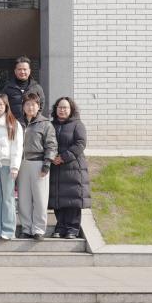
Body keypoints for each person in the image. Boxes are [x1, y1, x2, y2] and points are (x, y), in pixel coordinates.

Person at [17, 93, 58, 240]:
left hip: (39, 164)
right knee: (24, 199)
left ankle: (39, 229)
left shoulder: (45, 124)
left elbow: (51, 145)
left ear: (38, 106)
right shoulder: (18, 123)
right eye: (27, 104)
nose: (30, 107)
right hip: (22, 164)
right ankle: (26, 228)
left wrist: (47, 163)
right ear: (23, 106)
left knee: (40, 198)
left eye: (33, 104)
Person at [49, 97, 90, 239]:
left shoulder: (77, 125)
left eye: (65, 107)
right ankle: (60, 227)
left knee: (72, 199)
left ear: (71, 109)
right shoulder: (51, 125)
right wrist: (52, 157)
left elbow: (80, 144)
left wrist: (63, 157)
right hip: (56, 168)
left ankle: (72, 228)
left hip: (73, 168)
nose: (62, 110)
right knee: (58, 199)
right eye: (59, 107)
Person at [0, 93, 23, 240]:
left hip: (7, 165)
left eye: (1, 104)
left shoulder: (14, 123)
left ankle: (8, 230)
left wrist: (15, 166)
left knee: (8, 198)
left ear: (6, 106)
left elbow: (17, 147)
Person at [2, 56, 47, 121]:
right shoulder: (8, 88)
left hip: (31, 123)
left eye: (25, 69)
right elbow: (3, 105)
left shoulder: (36, 87)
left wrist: (34, 119)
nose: (22, 72)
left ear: (29, 71)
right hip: (13, 123)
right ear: (15, 71)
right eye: (19, 69)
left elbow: (42, 104)